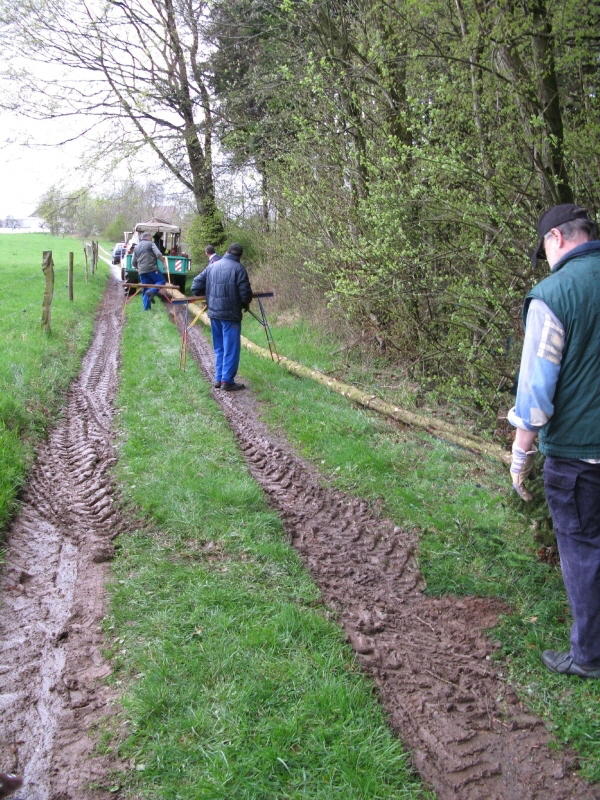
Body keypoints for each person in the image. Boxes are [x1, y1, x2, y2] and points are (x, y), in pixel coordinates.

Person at [508, 203, 600, 679]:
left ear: (556, 240)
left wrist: (520, 453)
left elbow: (536, 392)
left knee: (584, 550)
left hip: (579, 455)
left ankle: (588, 657)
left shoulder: (554, 294)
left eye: (543, 249)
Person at [191, 243, 252, 391]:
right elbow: (245, 294)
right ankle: (227, 381)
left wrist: (209, 298)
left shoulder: (213, 266)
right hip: (231, 315)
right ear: (240, 255)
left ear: (226, 252)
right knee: (231, 347)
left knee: (219, 347)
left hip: (214, 313)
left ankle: (218, 378)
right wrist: (243, 304)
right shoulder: (239, 269)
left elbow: (196, 286)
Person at [132, 232, 168, 311]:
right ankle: (151, 291)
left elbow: (133, 262)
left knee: (145, 288)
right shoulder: (150, 244)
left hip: (142, 271)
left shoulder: (136, 247)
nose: (151, 239)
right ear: (148, 237)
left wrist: (138, 269)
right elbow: (158, 254)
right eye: (150, 237)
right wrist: (164, 262)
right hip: (152, 269)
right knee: (161, 280)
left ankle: (146, 309)